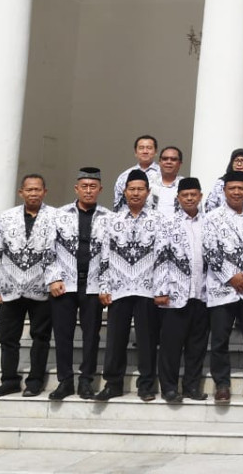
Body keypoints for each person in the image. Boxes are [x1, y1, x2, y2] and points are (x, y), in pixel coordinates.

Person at [93, 169, 162, 401]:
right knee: (115, 338)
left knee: (147, 338)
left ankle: (146, 385)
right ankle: (112, 384)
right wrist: (103, 286)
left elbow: (163, 257)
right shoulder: (111, 220)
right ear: (124, 191)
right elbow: (103, 256)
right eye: (131, 189)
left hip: (147, 288)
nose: (135, 193)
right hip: (118, 288)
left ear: (148, 192)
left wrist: (161, 289)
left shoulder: (159, 220)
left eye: (140, 189)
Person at [0, 174, 56, 399]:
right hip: (10, 286)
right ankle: (9, 380)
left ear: (45, 191)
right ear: (21, 193)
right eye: (29, 190)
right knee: (7, 337)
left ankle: (35, 381)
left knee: (41, 337)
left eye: (37, 189)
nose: (33, 193)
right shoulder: (7, 217)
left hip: (42, 287)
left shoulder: (56, 216)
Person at [45, 167, 109, 401]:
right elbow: (47, 250)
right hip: (64, 285)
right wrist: (53, 278)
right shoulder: (59, 215)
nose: (89, 191)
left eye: (93, 187)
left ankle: (86, 381)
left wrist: (106, 286)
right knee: (63, 334)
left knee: (91, 335)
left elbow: (110, 255)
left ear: (100, 189)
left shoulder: (108, 217)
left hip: (93, 286)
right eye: (85, 186)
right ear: (76, 188)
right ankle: (65, 381)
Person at [203, 169, 243, 404]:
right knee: (219, 339)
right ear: (224, 191)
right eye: (232, 188)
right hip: (222, 287)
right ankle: (222, 385)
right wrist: (231, 277)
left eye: (241, 188)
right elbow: (211, 250)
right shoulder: (212, 217)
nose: (237, 192)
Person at [154, 177, 210, 402]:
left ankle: (191, 386)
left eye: (193, 194)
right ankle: (169, 387)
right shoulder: (168, 224)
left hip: (202, 293)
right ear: (178, 198)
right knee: (171, 344)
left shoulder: (209, 223)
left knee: (197, 345)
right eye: (185, 195)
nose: (189, 198)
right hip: (175, 294)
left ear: (200, 196)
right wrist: (160, 290)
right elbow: (160, 258)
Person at [204, 148, 243, 212]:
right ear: (231, 163)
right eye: (236, 160)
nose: (239, 164)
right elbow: (209, 206)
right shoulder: (221, 183)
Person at [112, 135, 158, 210]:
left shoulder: (164, 175)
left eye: (149, 148)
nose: (145, 151)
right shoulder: (124, 176)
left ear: (155, 152)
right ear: (135, 152)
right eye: (141, 148)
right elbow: (117, 205)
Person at [151, 145, 184, 215]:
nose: (169, 162)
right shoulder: (149, 184)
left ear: (180, 164)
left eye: (173, 159)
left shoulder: (187, 186)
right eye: (165, 159)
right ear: (160, 162)